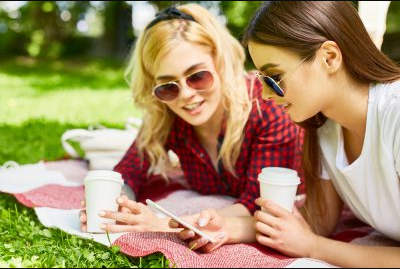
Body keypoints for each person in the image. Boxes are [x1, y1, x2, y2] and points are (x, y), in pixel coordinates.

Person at [171, 1, 400, 267]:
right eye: (262, 81)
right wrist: (230, 227)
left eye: (274, 78)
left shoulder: (394, 113)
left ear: (329, 57)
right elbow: (317, 220)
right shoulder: (326, 124)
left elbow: (312, 238)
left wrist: (315, 248)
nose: (267, 95)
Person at [79, 3, 301, 235]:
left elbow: (259, 206)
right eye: (167, 87)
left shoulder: (266, 106)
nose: (185, 95)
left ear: (220, 61)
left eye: (197, 76)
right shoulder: (167, 114)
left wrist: (163, 224)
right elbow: (128, 172)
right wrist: (117, 205)